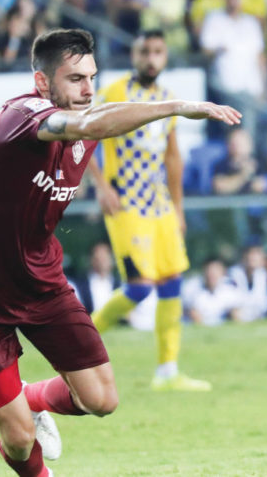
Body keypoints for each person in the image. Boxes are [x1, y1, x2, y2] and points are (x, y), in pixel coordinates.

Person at [0, 28, 240, 477]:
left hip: (39, 280)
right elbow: (88, 122)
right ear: (43, 82)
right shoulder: (22, 115)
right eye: (76, 78)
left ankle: (32, 399)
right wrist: (177, 107)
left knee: (102, 400)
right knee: (19, 441)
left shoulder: (84, 118)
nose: (88, 89)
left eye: (92, 77)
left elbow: (101, 114)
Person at [88, 29, 213, 392]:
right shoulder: (114, 92)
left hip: (160, 205)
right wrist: (100, 184)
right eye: (145, 51)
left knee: (172, 281)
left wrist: (179, 207)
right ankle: (76, 347)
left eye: (158, 52)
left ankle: (167, 371)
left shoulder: (168, 100)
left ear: (165, 57)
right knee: (139, 287)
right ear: (134, 55)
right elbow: (85, 133)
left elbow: (173, 156)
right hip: (126, 202)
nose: (151, 58)